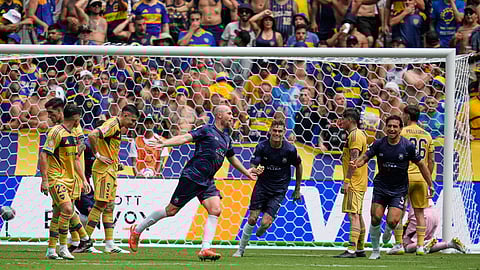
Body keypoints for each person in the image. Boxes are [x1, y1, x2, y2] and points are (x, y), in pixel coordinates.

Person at [128, 105, 257, 261]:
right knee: (171, 211)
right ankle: (137, 231)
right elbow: (184, 138)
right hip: (193, 176)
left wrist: (247, 172)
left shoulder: (227, 138)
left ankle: (205, 249)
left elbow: (232, 158)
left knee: (215, 210)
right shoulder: (206, 130)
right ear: (219, 115)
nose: (232, 116)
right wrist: (164, 143)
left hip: (207, 180)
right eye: (229, 113)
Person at [351, 115, 433, 260]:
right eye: (389, 126)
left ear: (401, 129)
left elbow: (421, 165)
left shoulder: (407, 146)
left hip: (399, 189)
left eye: (395, 126)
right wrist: (358, 163)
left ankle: (389, 230)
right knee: (375, 217)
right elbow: (366, 157)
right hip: (381, 186)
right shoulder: (379, 144)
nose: (392, 129)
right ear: (385, 128)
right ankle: (375, 251)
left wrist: (430, 184)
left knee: (393, 221)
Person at [232, 118, 302, 257]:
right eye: (274, 130)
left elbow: (299, 165)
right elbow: (253, 165)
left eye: (279, 131)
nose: (276, 133)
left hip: (279, 189)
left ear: (284, 133)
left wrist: (297, 189)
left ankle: (263, 228)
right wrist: (254, 170)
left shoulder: (290, 149)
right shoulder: (262, 147)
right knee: (252, 219)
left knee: (264, 222)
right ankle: (240, 250)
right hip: (262, 186)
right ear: (270, 131)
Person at [83, 104, 139, 253]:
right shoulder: (113, 124)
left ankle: (109, 244)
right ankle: (84, 242)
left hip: (111, 170)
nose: (133, 124)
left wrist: (116, 164)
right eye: (132, 120)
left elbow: (108, 148)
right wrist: (98, 155)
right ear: (125, 115)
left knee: (109, 207)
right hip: (103, 171)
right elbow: (92, 135)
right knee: (100, 205)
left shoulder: (118, 128)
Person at [39, 103, 91, 260]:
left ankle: (50, 249)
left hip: (70, 180)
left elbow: (75, 160)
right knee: (68, 210)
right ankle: (63, 247)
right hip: (56, 178)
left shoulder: (73, 135)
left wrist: (83, 179)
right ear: (76, 119)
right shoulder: (55, 132)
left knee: (57, 215)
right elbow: (43, 155)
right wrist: (45, 180)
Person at [383, 105, 434, 255]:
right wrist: (427, 179)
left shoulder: (401, 132)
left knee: (399, 211)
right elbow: (431, 161)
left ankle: (398, 244)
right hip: (420, 179)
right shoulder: (427, 135)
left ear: (406, 116)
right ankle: (419, 246)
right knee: (419, 213)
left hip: (403, 178)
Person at [334, 108, 368, 258]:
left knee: (353, 215)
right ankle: (360, 248)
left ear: (350, 120)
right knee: (358, 214)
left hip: (354, 181)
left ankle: (351, 249)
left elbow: (353, 161)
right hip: (360, 180)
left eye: (343, 118)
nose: (341, 121)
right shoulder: (357, 134)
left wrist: (347, 181)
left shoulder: (355, 136)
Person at [403, 200, 467, 254]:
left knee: (405, 246)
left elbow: (404, 205)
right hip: (434, 214)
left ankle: (426, 242)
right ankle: (451, 244)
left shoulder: (408, 186)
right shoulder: (426, 185)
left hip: (420, 216)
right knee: (424, 248)